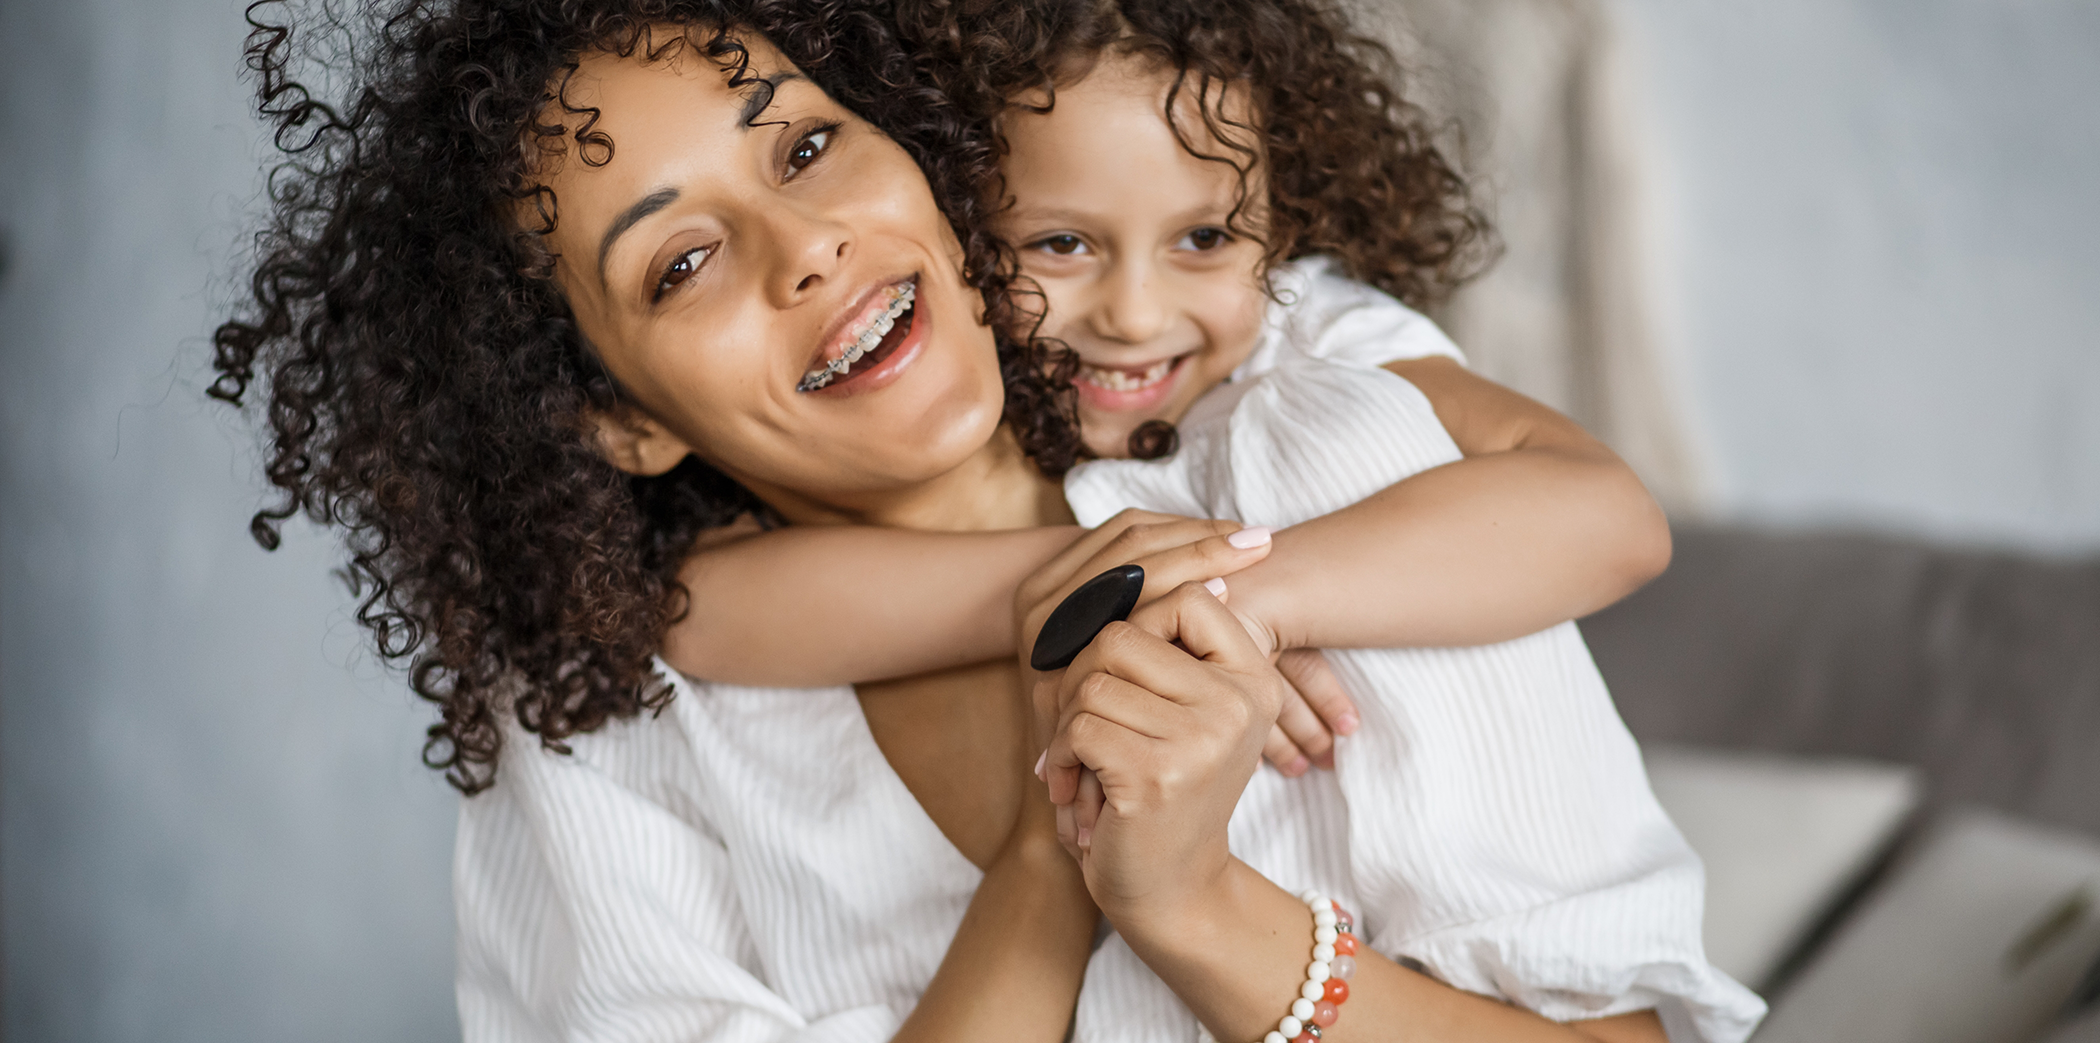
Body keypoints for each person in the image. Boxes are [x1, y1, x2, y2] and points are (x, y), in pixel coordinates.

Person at [210, 0, 1748, 1040]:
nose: (806, 248)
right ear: (620, 413)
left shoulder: (1309, 426)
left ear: (924, 145)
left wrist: (1201, 907)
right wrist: (1052, 859)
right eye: (680, 264)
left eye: (809, 148)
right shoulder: (608, 720)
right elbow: (701, 619)